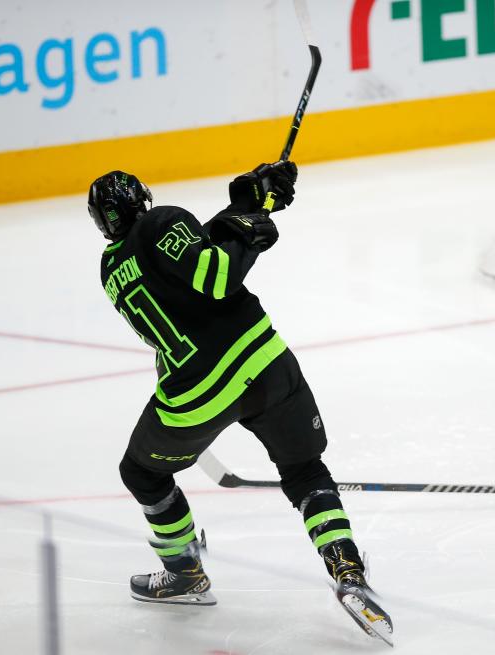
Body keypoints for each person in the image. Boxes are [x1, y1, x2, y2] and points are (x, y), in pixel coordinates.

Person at [88, 165, 393, 644]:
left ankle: (185, 573)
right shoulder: (163, 219)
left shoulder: (110, 270)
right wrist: (251, 233)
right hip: (265, 363)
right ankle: (347, 569)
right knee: (306, 472)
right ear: (142, 200)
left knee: (142, 472)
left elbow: (182, 261)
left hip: (196, 396)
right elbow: (216, 274)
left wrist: (243, 207)